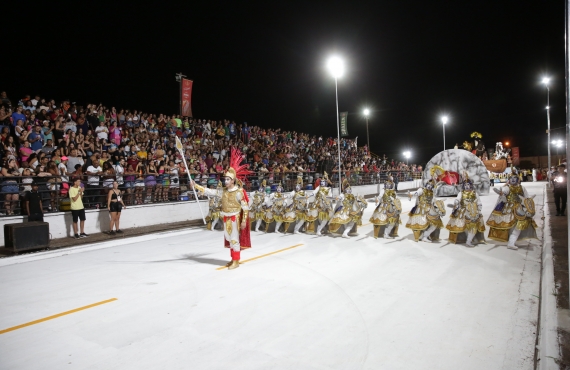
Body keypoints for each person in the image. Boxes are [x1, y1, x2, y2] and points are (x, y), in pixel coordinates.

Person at [191, 147, 252, 270]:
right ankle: (232, 258)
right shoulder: (223, 191)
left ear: (233, 180)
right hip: (226, 217)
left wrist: (244, 220)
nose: (225, 181)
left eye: (228, 179)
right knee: (229, 239)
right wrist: (196, 186)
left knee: (234, 239)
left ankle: (236, 260)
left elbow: (245, 208)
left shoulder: (239, 192)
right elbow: (210, 191)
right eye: (225, 179)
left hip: (235, 217)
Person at [487, 168, 538, 250]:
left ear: (518, 180)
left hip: (520, 209)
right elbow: (504, 191)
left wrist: (528, 204)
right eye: (511, 178)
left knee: (519, 225)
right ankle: (511, 242)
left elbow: (526, 198)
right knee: (510, 226)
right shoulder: (508, 187)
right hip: (508, 210)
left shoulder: (522, 188)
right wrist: (501, 193)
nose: (513, 180)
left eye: (515, 178)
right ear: (509, 180)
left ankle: (511, 242)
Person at [446, 173, 486, 247]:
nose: (467, 186)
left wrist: (479, 209)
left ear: (471, 185)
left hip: (474, 212)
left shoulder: (474, 193)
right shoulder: (461, 193)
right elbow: (458, 199)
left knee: (474, 226)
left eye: (468, 185)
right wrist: (456, 202)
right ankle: (468, 240)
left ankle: (471, 239)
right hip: (463, 212)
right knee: (464, 227)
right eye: (465, 185)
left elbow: (479, 202)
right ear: (463, 186)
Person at [370, 174, 401, 239]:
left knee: (395, 219)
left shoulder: (393, 191)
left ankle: (387, 232)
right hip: (383, 206)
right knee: (381, 218)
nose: (390, 183)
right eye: (389, 181)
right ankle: (381, 232)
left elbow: (396, 198)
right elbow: (380, 196)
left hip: (392, 206)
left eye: (391, 181)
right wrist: (377, 199)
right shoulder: (383, 190)